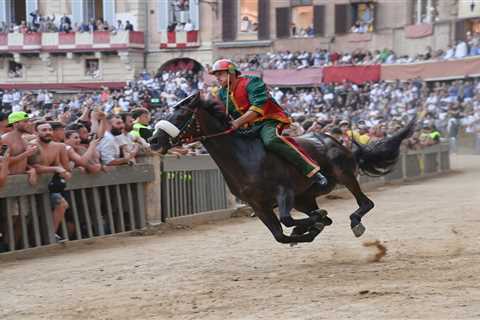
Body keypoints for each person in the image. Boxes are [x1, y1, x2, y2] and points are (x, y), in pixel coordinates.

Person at [210, 59, 327, 186]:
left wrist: (237, 122)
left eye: (220, 74)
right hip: (246, 127)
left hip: (267, 120)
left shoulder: (252, 82)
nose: (217, 78)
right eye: (216, 75)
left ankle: (312, 171)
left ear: (232, 72)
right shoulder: (222, 93)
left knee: (271, 140)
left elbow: (257, 108)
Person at [29, 122, 71, 238]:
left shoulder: (56, 146)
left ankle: (51, 235)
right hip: (31, 186)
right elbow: (35, 166)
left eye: (49, 130)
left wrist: (64, 171)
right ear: (36, 132)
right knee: (27, 217)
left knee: (62, 204)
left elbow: (59, 164)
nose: (47, 132)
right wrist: (56, 168)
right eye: (44, 130)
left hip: (48, 185)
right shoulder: (33, 145)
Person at [1, 112, 38, 185]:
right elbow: (2, 161)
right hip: (6, 185)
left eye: (29, 121)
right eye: (25, 121)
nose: (29, 124)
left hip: (20, 184)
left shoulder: (24, 141)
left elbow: (23, 162)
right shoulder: (4, 140)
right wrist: (26, 154)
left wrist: (31, 169)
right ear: (15, 124)